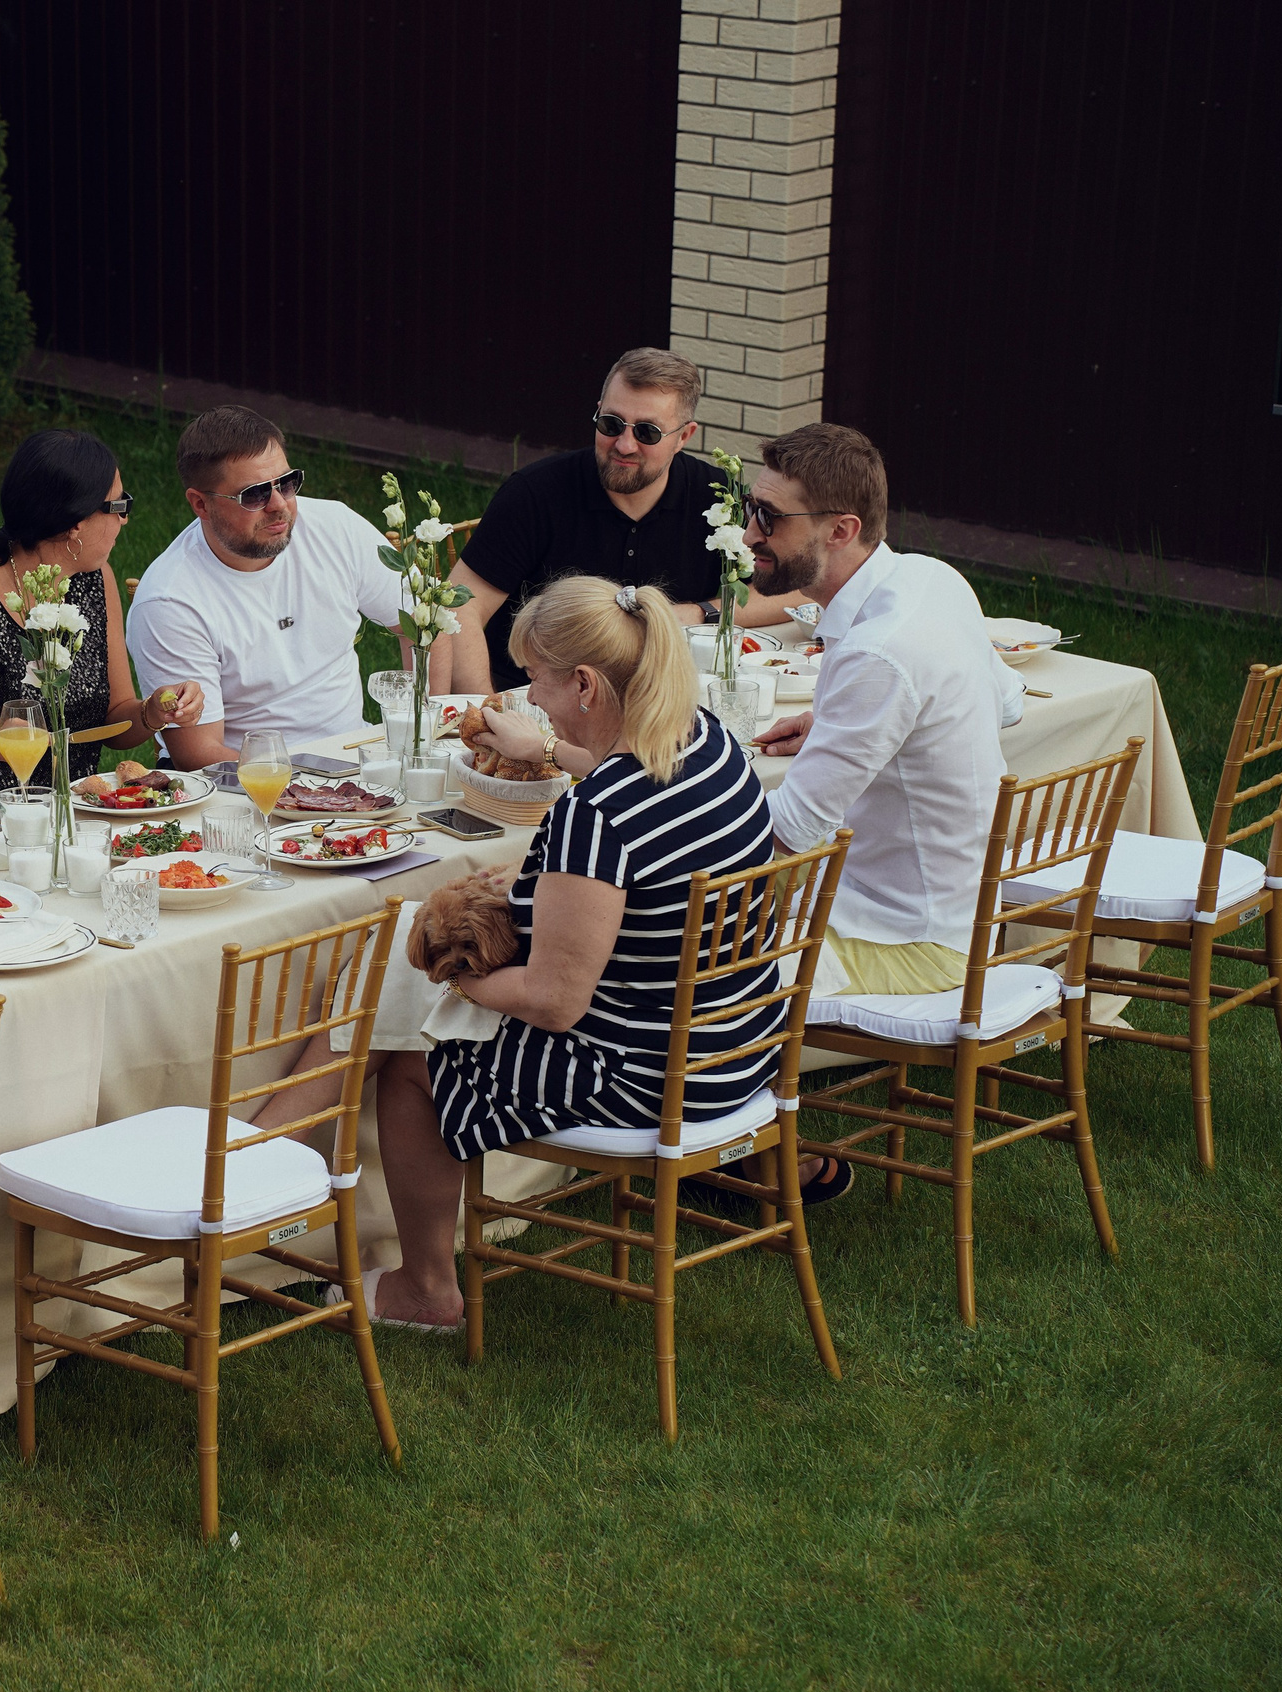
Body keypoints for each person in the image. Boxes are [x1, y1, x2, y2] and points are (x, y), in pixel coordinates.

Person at [356, 577, 805, 1329]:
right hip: (737, 1052)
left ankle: (425, 1290)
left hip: (644, 1083)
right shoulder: (705, 737)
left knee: (410, 1059)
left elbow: (553, 1002)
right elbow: (634, 798)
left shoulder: (595, 817)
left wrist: (455, 981)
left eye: (537, 680)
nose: (531, 696)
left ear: (587, 685)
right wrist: (554, 752)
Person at [747, 422, 1023, 996]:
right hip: (957, 910)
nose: (750, 534)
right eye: (753, 509)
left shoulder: (881, 653)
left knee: (671, 962)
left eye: (770, 518)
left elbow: (790, 834)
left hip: (913, 943)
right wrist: (857, 728)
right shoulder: (930, 576)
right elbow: (1008, 702)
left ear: (842, 529)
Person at [433, 348, 803, 695]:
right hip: (539, 697)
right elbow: (459, 605)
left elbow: (795, 590)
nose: (625, 445)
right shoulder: (535, 493)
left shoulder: (719, 499)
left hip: (668, 699)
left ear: (684, 437)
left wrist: (699, 613)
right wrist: (486, 710)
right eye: (611, 424)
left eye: (647, 432)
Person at [0, 430, 204, 838]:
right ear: (76, 523)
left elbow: (116, 716)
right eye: (119, 505)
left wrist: (153, 712)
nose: (126, 518)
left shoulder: (94, 580)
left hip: (72, 819)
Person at [124, 406, 405, 766]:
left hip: (352, 756)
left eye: (286, 483)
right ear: (201, 504)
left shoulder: (335, 526)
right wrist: (316, 787)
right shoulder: (170, 600)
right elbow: (200, 754)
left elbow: (422, 626)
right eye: (254, 495)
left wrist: (418, 735)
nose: (279, 505)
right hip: (241, 782)